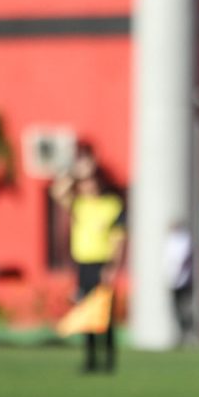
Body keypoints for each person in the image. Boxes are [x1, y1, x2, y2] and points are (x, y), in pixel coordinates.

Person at [50, 145, 126, 373]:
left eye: (91, 180)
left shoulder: (111, 205)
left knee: (105, 316)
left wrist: (113, 266)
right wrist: (75, 172)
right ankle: (90, 360)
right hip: (83, 265)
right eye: (85, 182)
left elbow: (118, 238)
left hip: (103, 264)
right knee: (86, 314)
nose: (88, 186)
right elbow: (57, 192)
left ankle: (109, 361)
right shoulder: (79, 206)